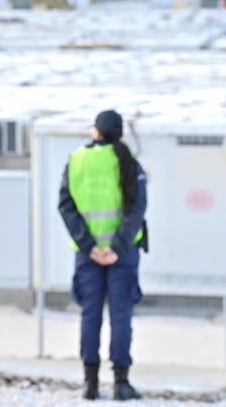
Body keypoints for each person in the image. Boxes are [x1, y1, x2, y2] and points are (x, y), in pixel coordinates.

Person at [58, 109, 147, 401]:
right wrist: (116, 247)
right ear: (119, 133)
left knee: (90, 315)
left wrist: (89, 246)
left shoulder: (76, 161)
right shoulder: (130, 164)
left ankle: (90, 383)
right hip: (121, 254)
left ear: (95, 132)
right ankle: (121, 383)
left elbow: (66, 207)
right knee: (121, 316)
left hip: (88, 255)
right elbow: (137, 210)